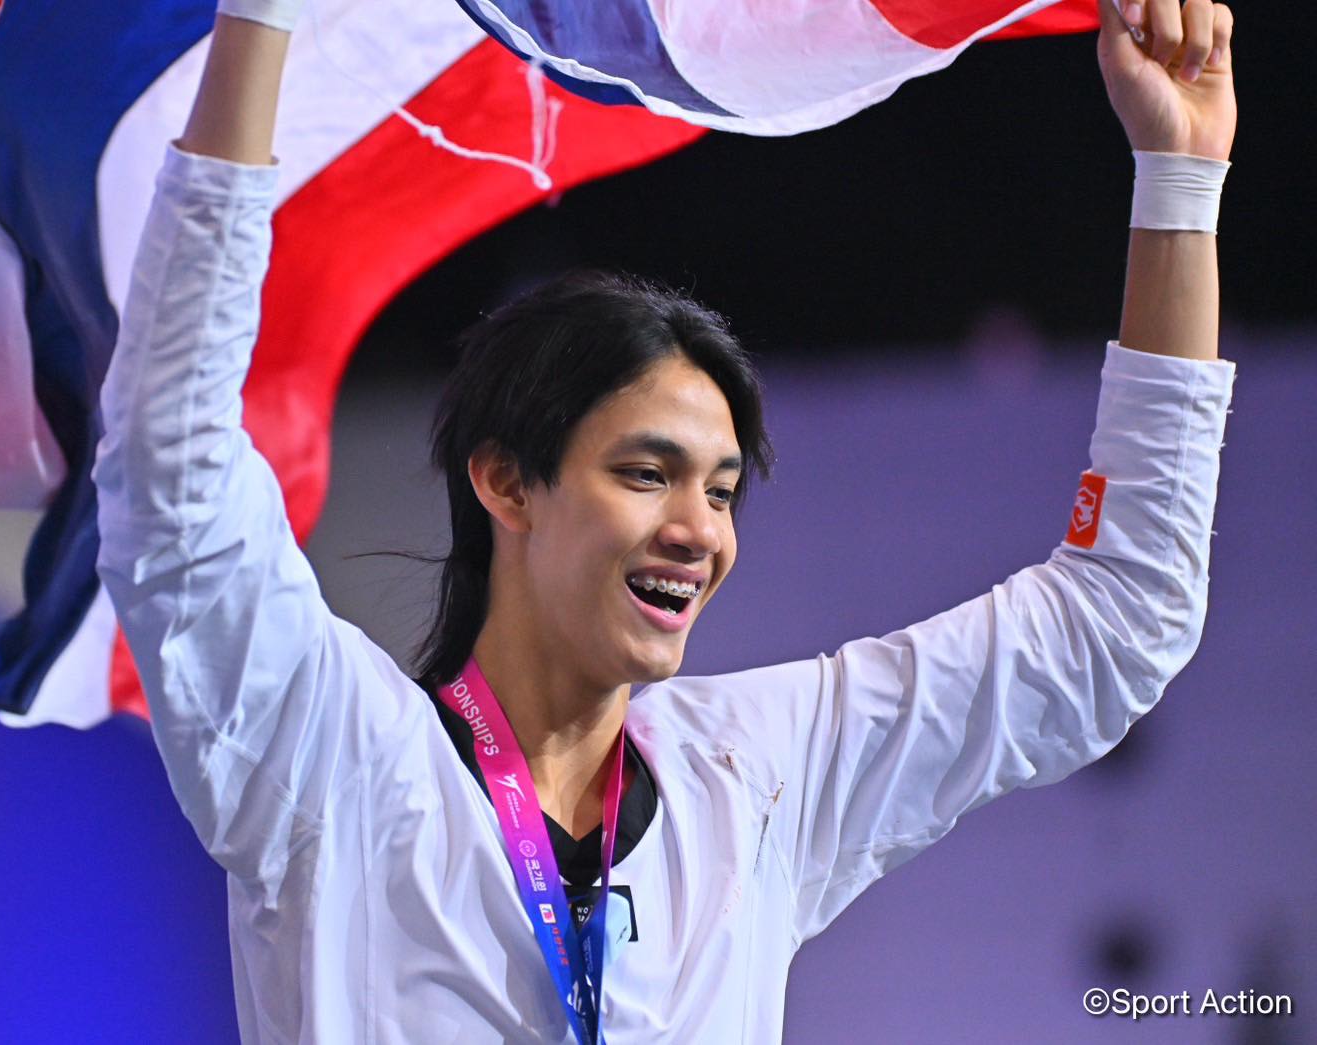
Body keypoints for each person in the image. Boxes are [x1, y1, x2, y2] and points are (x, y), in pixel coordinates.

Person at [92, 0, 1238, 1040]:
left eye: (722, 490)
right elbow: (173, 471)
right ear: (507, 483)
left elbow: (1114, 623)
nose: (699, 529)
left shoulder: (755, 779)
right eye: (647, 473)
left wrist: (1179, 181)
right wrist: (258, 22)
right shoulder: (332, 756)